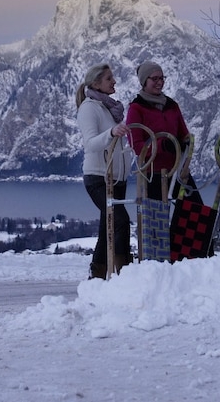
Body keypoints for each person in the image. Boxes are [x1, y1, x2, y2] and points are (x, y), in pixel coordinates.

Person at [75, 63, 133, 279]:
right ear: (96, 84)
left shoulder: (108, 108)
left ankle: (97, 277)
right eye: (109, 78)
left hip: (117, 178)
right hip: (99, 177)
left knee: (106, 227)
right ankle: (124, 273)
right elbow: (90, 144)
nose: (114, 81)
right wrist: (112, 132)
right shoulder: (89, 108)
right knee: (120, 221)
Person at [125, 60, 201, 203]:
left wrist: (184, 143)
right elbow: (137, 147)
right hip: (152, 174)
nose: (159, 82)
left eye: (161, 78)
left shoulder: (172, 106)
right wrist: (162, 146)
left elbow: (184, 134)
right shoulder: (136, 109)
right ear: (144, 81)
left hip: (178, 171)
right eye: (154, 79)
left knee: (195, 210)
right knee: (157, 216)